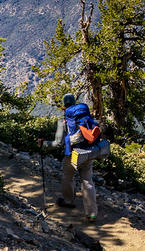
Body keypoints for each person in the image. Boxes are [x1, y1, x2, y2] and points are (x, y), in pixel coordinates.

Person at [39, 94, 99, 223]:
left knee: (68, 177)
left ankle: (68, 201)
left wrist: (43, 144)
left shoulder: (63, 122)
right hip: (88, 152)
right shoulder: (86, 118)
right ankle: (92, 213)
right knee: (87, 181)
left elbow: (57, 144)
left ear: (64, 106)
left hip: (72, 154)